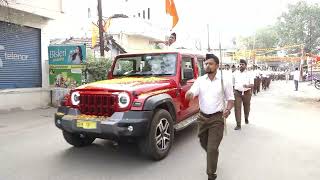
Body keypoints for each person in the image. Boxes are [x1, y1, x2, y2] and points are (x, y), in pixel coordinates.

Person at [185, 54, 234, 180]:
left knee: (212, 148)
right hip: (202, 118)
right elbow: (192, 91)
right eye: (206, 63)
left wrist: (228, 110)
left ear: (217, 66)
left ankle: (211, 175)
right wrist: (189, 94)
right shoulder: (200, 80)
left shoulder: (224, 81)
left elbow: (230, 99)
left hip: (217, 119)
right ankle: (212, 156)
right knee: (203, 143)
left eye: (210, 63)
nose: (207, 65)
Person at [233, 59, 254, 130]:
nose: (241, 65)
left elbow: (252, 84)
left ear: (246, 66)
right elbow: (232, 83)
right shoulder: (235, 73)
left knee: (246, 107)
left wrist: (247, 86)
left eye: (242, 64)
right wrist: (233, 90)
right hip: (237, 93)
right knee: (237, 108)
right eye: (240, 64)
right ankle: (238, 124)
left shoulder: (249, 74)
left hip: (247, 93)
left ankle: (246, 117)